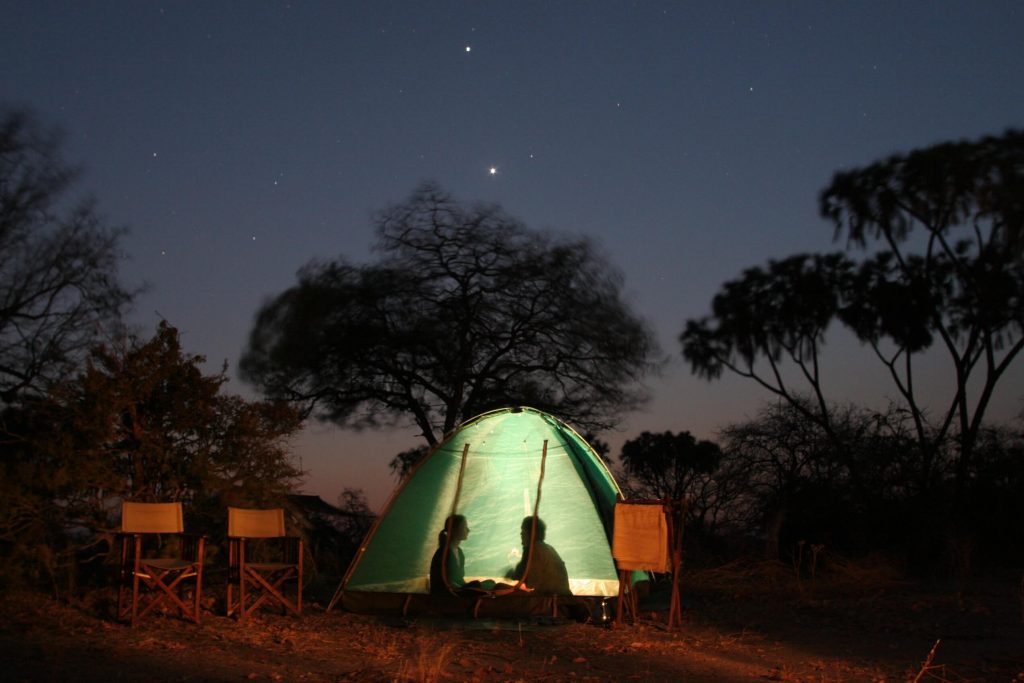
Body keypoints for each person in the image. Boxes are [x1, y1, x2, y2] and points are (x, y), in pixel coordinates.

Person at [506, 516, 571, 595]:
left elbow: (531, 583)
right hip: (560, 596)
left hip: (553, 599)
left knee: (500, 588)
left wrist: (512, 574)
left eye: (523, 530)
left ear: (531, 534)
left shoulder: (534, 550)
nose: (521, 533)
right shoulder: (546, 547)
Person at [429, 514, 469, 594]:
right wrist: (466, 589)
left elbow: (459, 580)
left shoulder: (460, 553)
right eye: (464, 527)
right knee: (477, 585)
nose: (468, 530)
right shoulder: (443, 553)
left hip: (457, 591)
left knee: (489, 583)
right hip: (446, 594)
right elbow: (443, 582)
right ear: (454, 530)